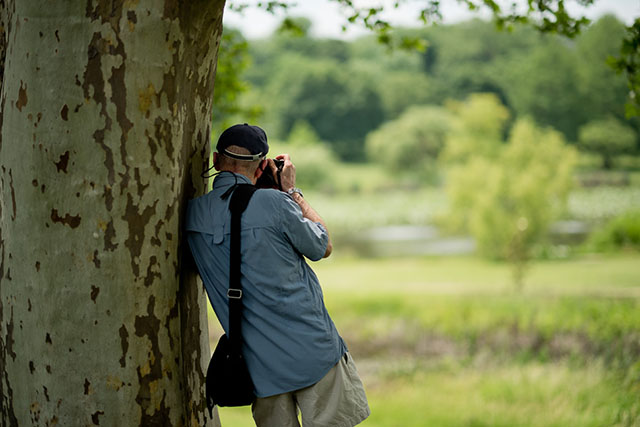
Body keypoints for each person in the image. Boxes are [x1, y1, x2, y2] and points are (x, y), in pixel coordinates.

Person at [185, 124, 370, 427]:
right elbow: (322, 245)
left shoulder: (192, 216)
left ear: (216, 161)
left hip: (258, 369)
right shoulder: (275, 203)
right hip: (314, 354)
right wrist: (292, 192)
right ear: (261, 167)